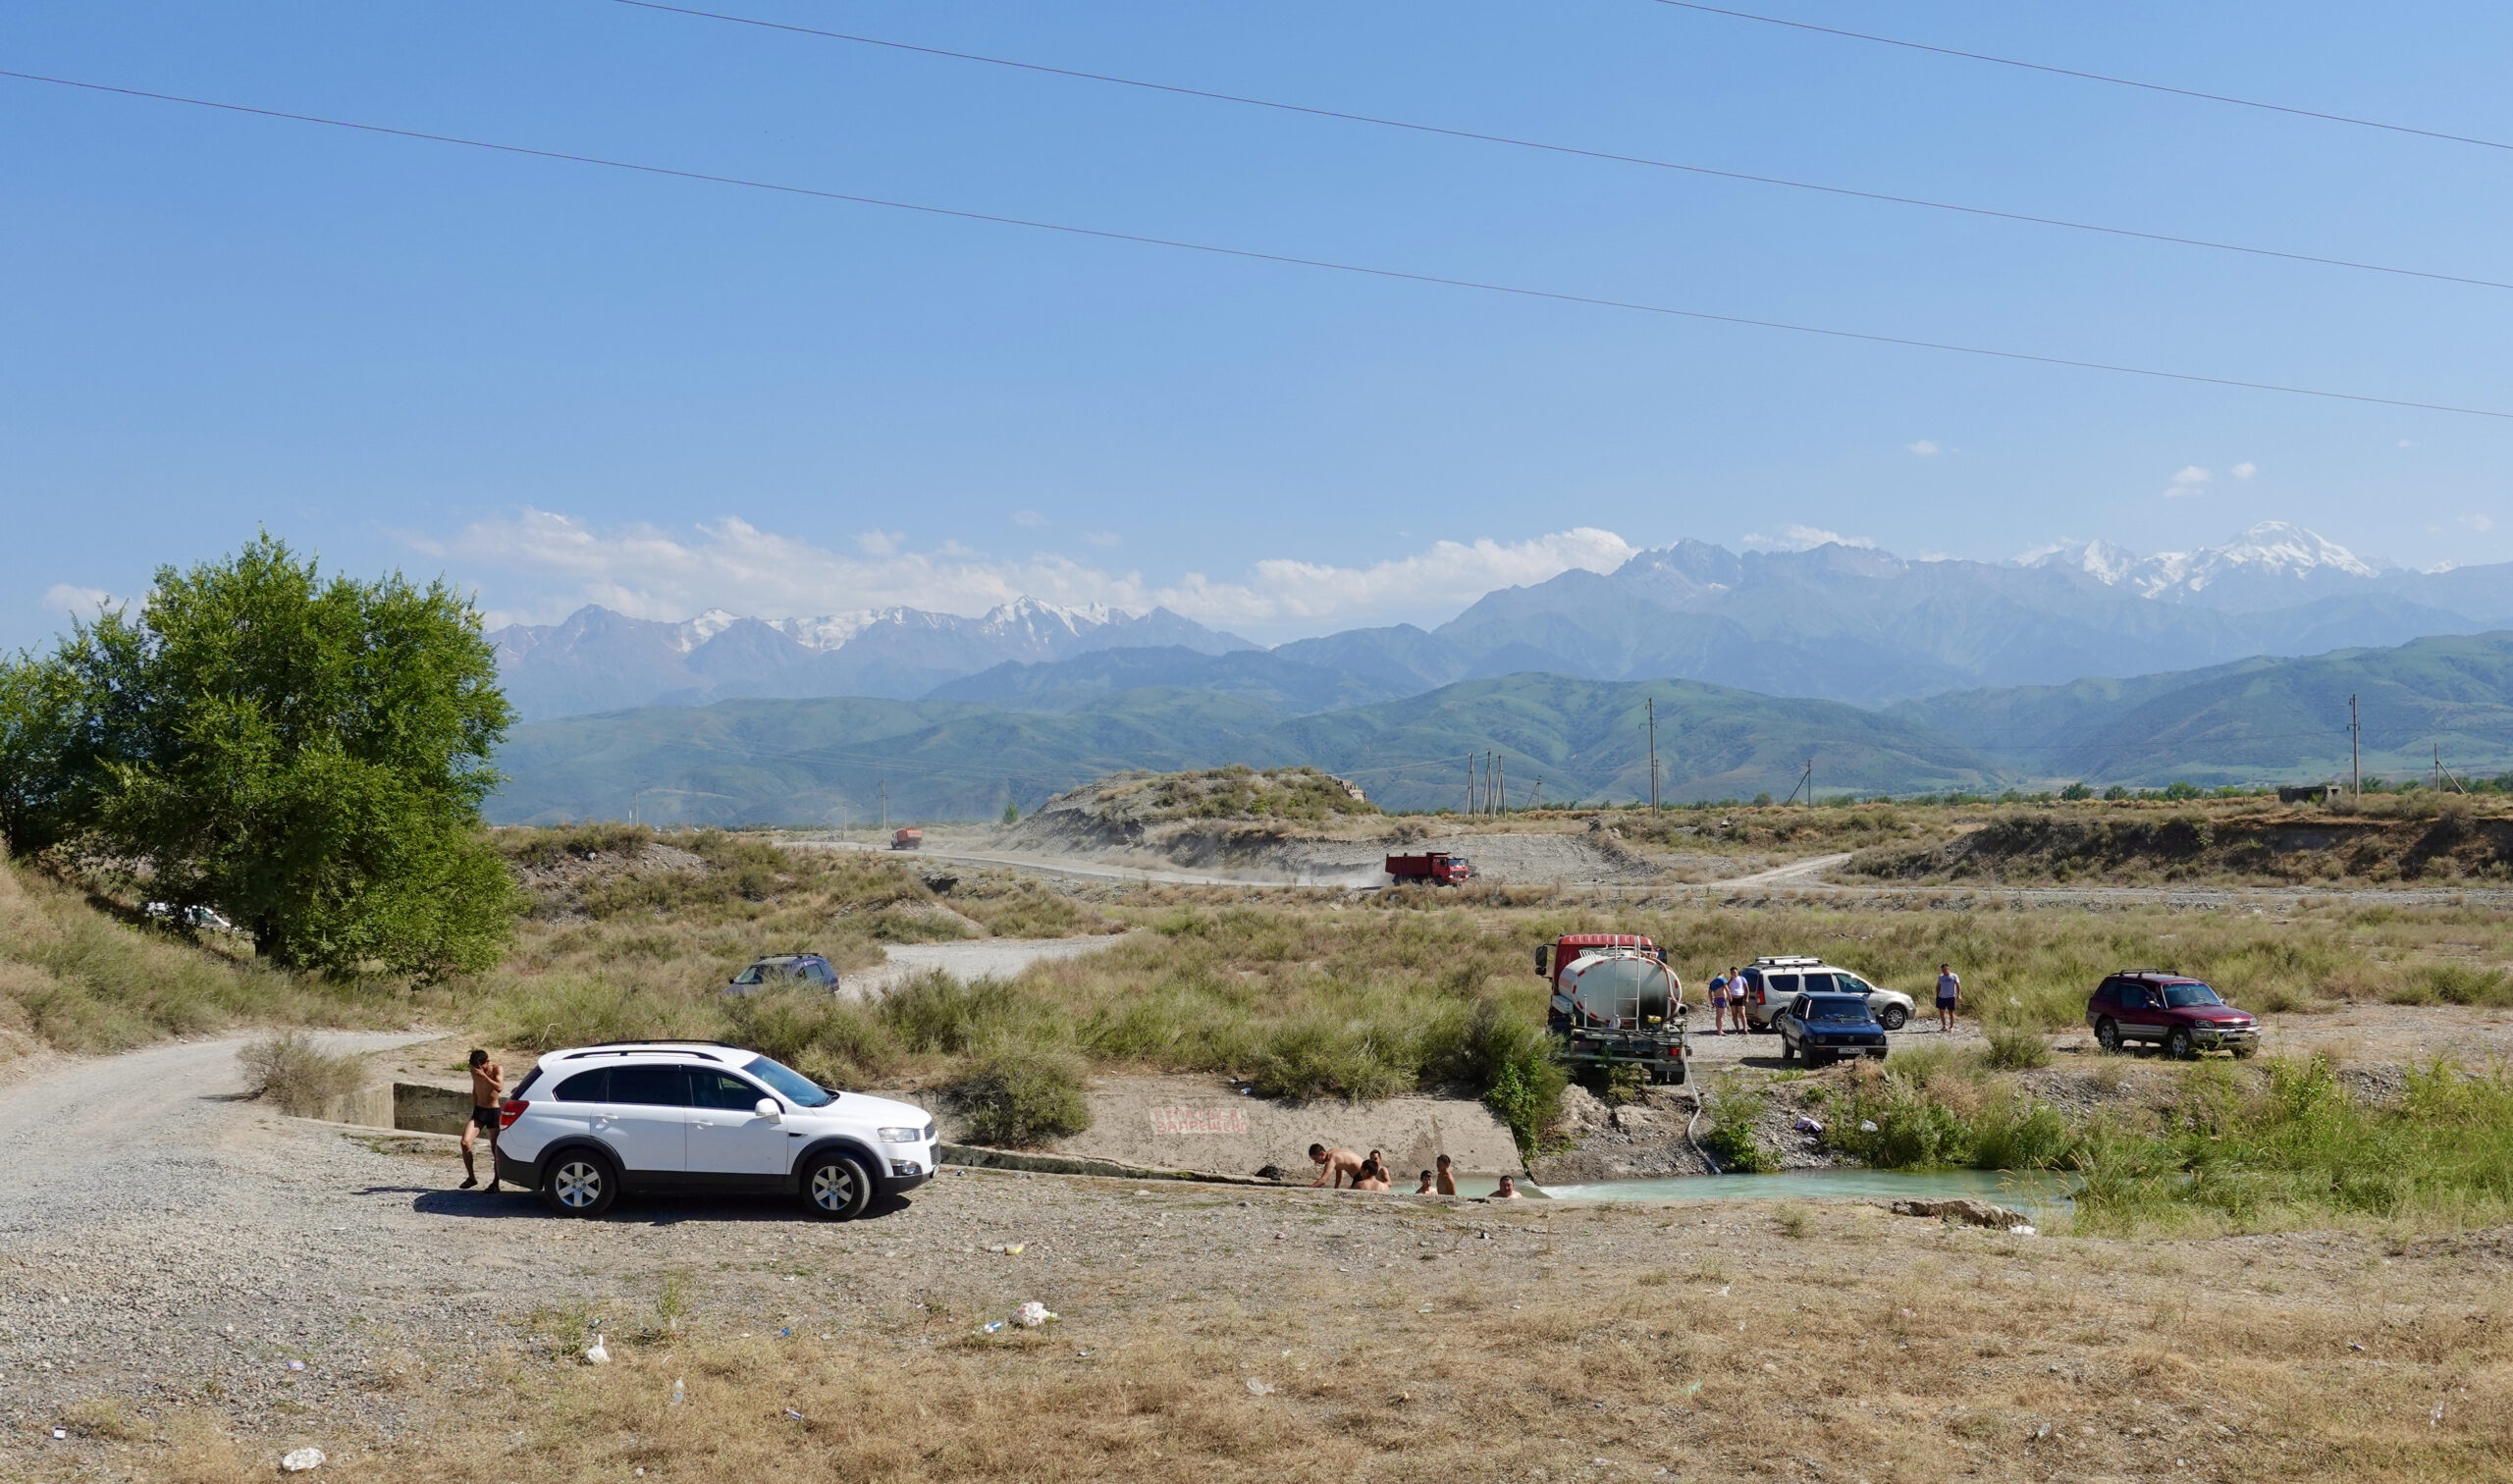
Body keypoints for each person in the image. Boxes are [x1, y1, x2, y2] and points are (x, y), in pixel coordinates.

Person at [460, 1048, 503, 1192]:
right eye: (474, 1066)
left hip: (493, 1112)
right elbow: (475, 1088)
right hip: (479, 1111)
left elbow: (499, 1087)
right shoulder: (474, 1070)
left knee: (495, 1149)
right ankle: (471, 1177)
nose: (477, 1069)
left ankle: (496, 1183)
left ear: (487, 1062)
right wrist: (474, 1106)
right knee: (465, 1143)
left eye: (480, 1066)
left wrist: (484, 1076)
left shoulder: (497, 1069)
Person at [1936, 963, 1961, 1033]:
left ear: (1948, 969)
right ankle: (1944, 1026)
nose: (1943, 972)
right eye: (1942, 970)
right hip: (1942, 997)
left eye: (1945, 970)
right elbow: (1938, 986)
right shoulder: (1940, 977)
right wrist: (1937, 995)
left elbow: (1958, 985)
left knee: (1951, 1012)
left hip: (1951, 997)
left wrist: (1959, 995)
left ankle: (1951, 1027)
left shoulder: (1954, 976)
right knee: (1941, 1011)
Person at [1706, 971, 1730, 1035]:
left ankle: (1718, 1030)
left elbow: (1709, 992)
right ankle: (1720, 1031)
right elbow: (1726, 988)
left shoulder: (1712, 982)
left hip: (1716, 999)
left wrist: (1711, 1001)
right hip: (1722, 999)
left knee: (1718, 1016)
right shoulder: (1722, 979)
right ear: (1722, 975)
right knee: (1721, 1016)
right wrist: (1730, 996)